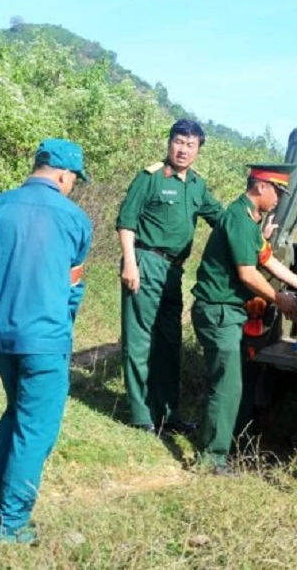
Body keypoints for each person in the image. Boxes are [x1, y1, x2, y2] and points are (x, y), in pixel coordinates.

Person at [0, 138, 92, 545]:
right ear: (63, 175)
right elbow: (73, 290)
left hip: (1, 337)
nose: (72, 186)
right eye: (74, 179)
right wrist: (61, 329)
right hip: (45, 340)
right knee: (36, 430)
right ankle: (12, 525)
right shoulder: (76, 219)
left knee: (17, 414)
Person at [191, 163, 297, 475]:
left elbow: (268, 260)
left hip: (228, 311)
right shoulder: (239, 219)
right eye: (277, 191)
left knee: (232, 383)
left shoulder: (250, 222)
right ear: (261, 186)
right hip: (219, 310)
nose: (278, 199)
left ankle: (219, 446)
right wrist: (279, 298)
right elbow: (248, 274)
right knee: (227, 386)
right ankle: (211, 458)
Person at [116, 119, 223, 434]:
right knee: (139, 339)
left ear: (198, 149)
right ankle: (140, 413)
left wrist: (256, 226)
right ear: (169, 143)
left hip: (174, 271)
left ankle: (167, 413)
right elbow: (126, 221)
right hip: (146, 260)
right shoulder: (149, 177)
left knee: (169, 342)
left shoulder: (197, 185)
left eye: (190, 145)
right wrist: (130, 262)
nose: (183, 150)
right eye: (178, 142)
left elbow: (223, 220)